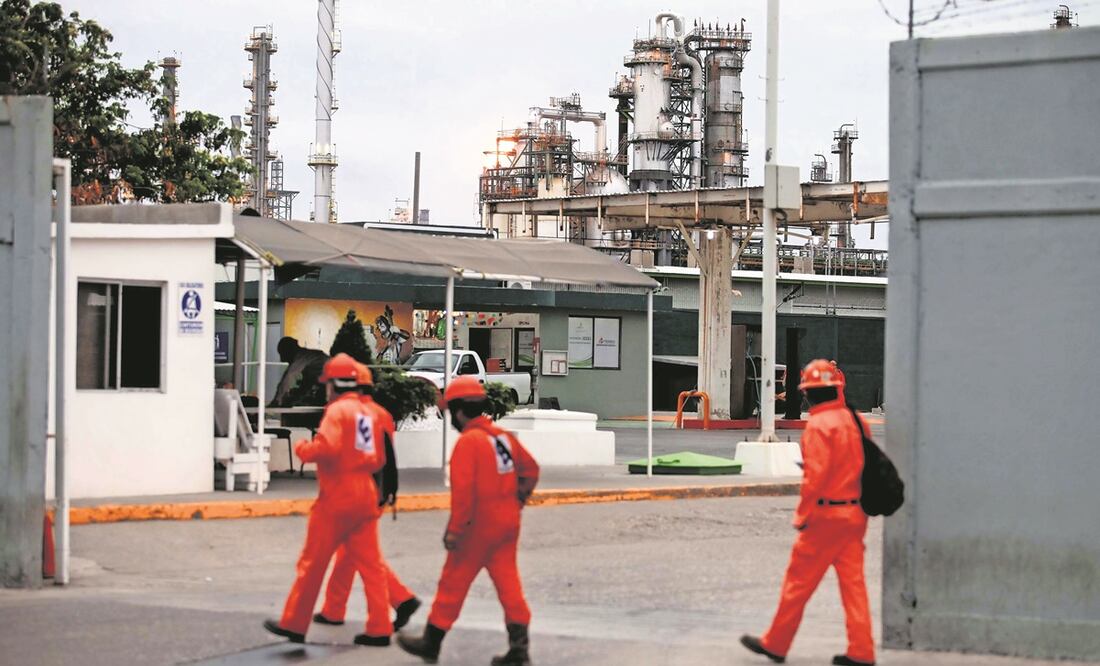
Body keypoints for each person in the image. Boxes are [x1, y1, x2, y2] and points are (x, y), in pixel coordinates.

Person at [740, 359, 875, 666]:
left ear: (808, 395)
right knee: (854, 586)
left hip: (825, 518)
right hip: (855, 515)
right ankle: (862, 650)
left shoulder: (818, 427)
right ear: (837, 388)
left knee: (798, 584)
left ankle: (776, 643)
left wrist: (801, 517)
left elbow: (816, 479)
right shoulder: (856, 421)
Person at [398, 376, 540, 666]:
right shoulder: (502, 437)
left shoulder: (469, 443)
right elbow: (531, 470)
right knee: (509, 584)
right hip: (507, 523)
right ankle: (519, 649)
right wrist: (517, 501)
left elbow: (463, 499)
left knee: (453, 582)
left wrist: (453, 533)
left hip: (477, 528)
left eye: (451, 411)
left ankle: (431, 641)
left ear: (460, 410)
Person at [263, 353, 393, 647]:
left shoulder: (337, 412)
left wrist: (303, 449)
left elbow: (328, 447)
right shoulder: (370, 413)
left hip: (338, 495)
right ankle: (380, 626)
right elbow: (382, 457)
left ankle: (295, 623)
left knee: (313, 563)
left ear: (333, 384)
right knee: (371, 565)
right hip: (366, 492)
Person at [312, 362, 423, 632]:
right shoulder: (380, 413)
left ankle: (400, 599)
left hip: (355, 493)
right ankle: (334, 609)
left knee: (361, 555)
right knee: (350, 554)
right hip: (378, 490)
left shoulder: (342, 411)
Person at [271, 337, 328, 407]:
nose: (282, 359)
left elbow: (288, 377)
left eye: (283, 354)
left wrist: (277, 400)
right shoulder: (309, 361)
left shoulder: (302, 357)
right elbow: (306, 385)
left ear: (289, 351)